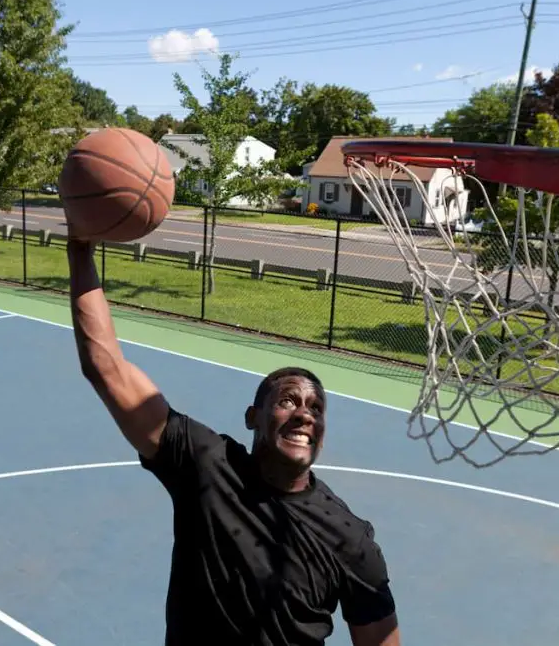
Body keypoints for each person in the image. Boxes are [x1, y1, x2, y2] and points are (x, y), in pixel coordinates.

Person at [67, 239, 401, 646]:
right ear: (252, 417)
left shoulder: (350, 540)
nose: (304, 414)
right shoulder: (207, 464)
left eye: (316, 408)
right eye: (288, 401)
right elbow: (107, 369)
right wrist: (80, 248)